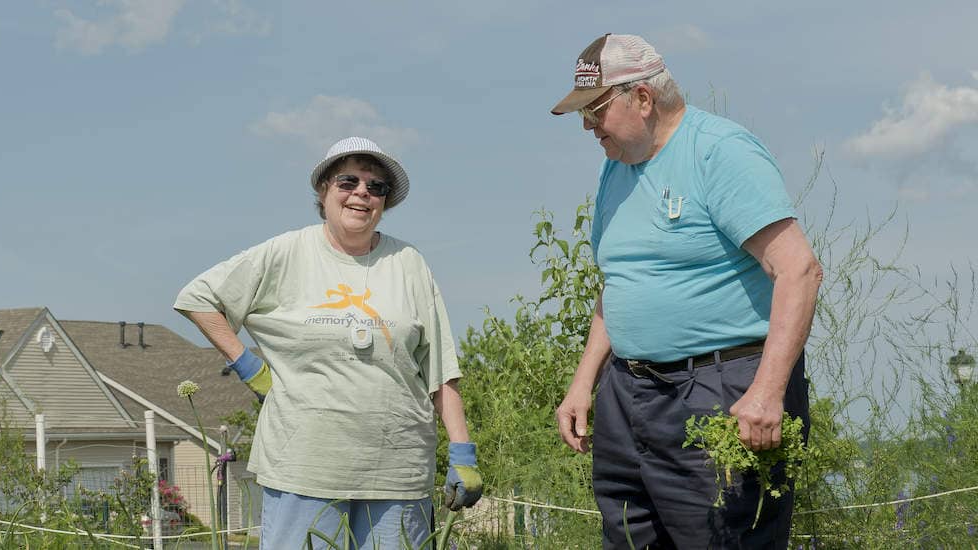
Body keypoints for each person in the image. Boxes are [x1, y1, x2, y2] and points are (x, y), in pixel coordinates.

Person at [549, 34, 822, 548]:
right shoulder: (617, 169)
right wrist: (584, 382)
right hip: (627, 398)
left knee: (720, 538)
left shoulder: (718, 152)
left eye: (596, 110)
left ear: (643, 99)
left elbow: (799, 271)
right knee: (630, 538)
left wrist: (766, 392)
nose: (588, 126)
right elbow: (623, 282)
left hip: (718, 390)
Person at [174, 137, 481, 549]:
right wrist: (249, 367)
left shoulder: (408, 263)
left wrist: (462, 452)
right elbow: (198, 298)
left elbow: (441, 366)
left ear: (385, 202)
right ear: (323, 190)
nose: (362, 193)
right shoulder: (287, 252)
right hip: (305, 465)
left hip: (397, 471)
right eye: (348, 181)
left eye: (376, 187)